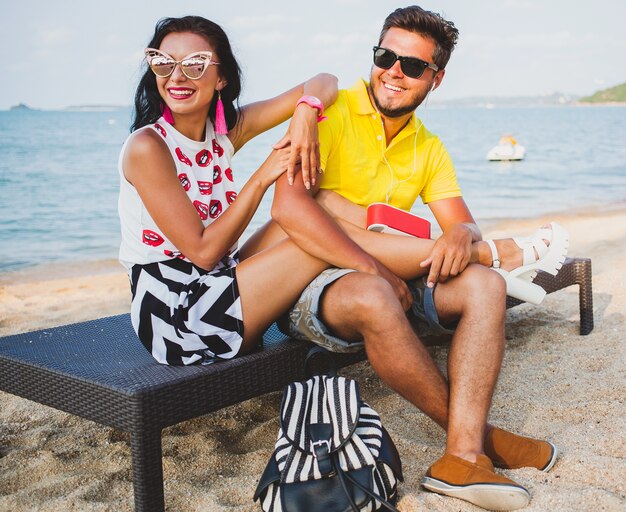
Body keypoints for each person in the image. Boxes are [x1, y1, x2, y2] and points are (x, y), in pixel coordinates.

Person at [241, 6, 568, 511]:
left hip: (390, 266)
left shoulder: (429, 147)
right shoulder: (330, 109)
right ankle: (486, 438)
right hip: (309, 276)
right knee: (363, 273)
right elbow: (287, 208)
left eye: (413, 66)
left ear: (435, 79)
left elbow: (460, 218)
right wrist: (370, 264)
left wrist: (463, 234)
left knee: (486, 285)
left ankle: (461, 456)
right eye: (385, 56)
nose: (394, 71)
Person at [118, 15, 338, 366]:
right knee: (321, 239)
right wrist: (262, 177)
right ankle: (382, 278)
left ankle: (389, 271)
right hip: (177, 316)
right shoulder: (147, 147)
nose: (177, 76)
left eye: (195, 64)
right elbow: (203, 252)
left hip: (219, 280)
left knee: (325, 209)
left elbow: (325, 81)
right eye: (164, 62)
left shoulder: (224, 132)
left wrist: (307, 112)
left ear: (221, 77)